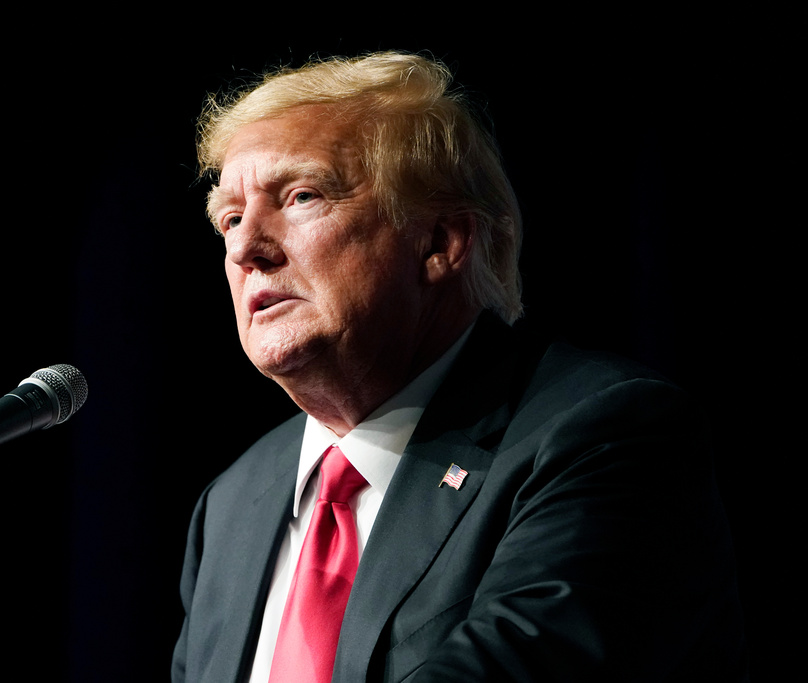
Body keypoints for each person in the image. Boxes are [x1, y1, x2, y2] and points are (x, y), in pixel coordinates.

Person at [173, 51, 747, 682]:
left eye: (303, 196)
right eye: (229, 218)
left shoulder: (603, 435)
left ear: (441, 242)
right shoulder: (231, 504)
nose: (247, 248)